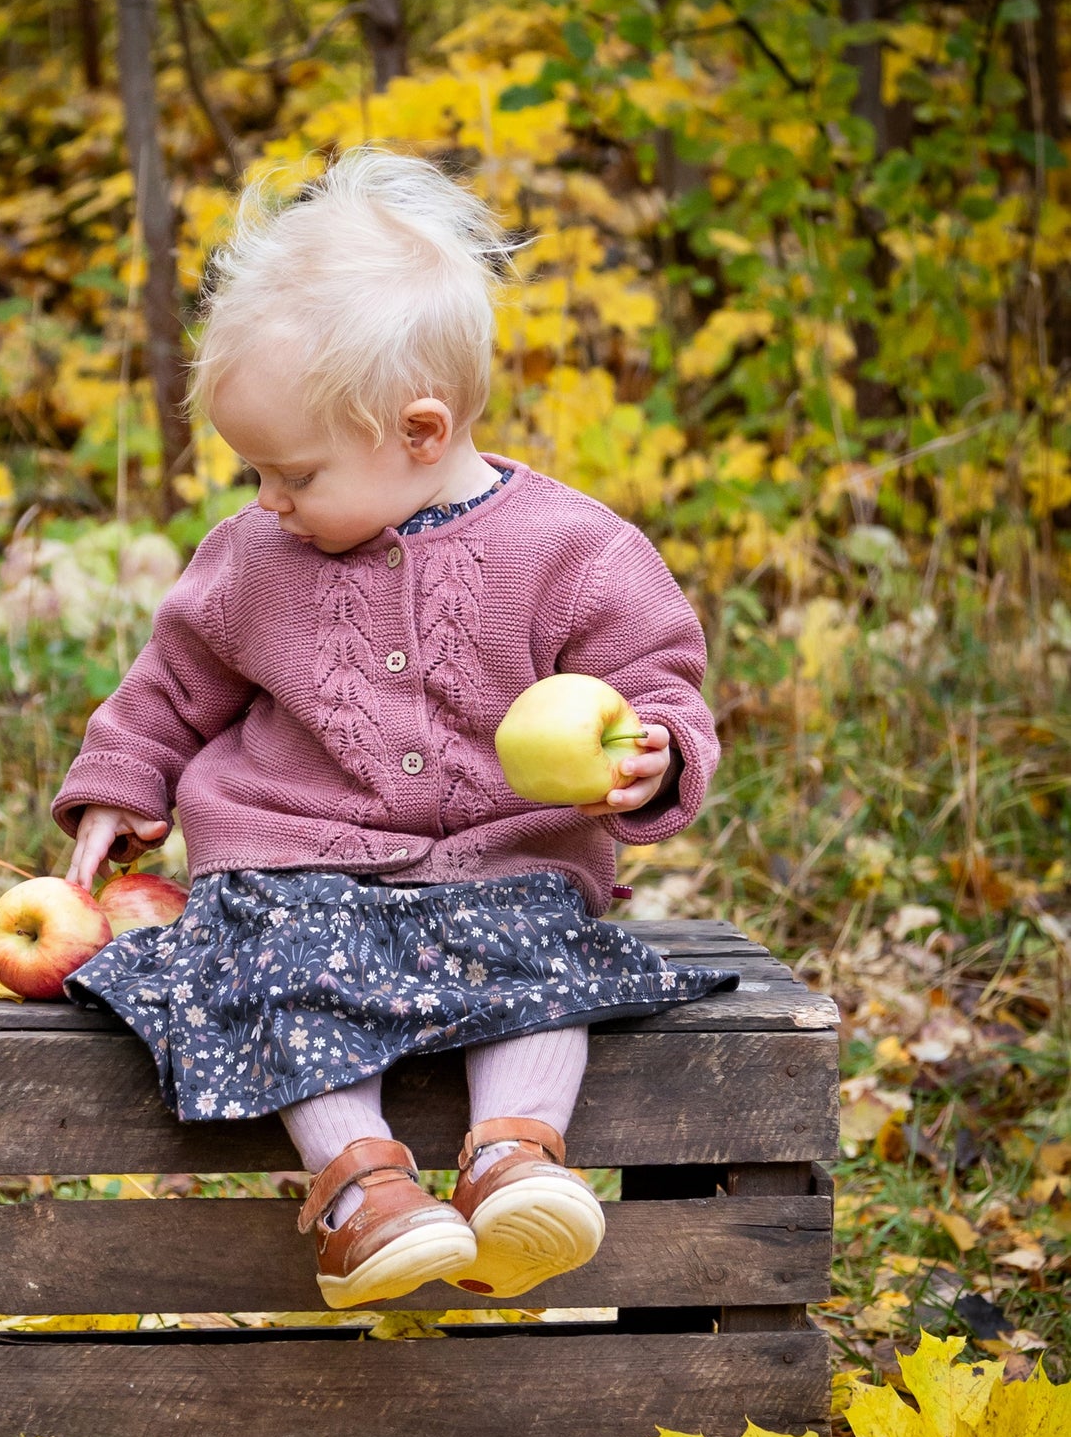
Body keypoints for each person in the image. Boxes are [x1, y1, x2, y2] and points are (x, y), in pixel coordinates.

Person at [51, 145, 738, 1311]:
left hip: (498, 860)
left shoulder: (573, 552)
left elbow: (653, 679)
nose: (267, 499)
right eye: (254, 472)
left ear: (419, 432)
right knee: (264, 964)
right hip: (296, 864)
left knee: (543, 956)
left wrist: (654, 755)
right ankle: (362, 1188)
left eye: (292, 473)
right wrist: (123, 781)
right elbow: (173, 679)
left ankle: (514, 1161)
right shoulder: (252, 558)